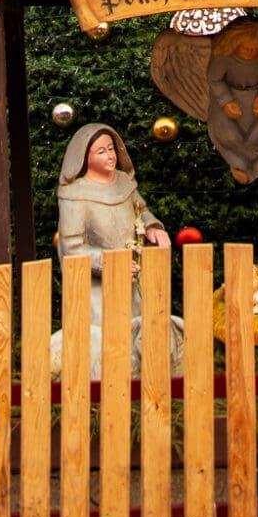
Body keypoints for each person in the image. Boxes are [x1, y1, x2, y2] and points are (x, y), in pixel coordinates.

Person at [53, 123, 178, 378]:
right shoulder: (74, 194)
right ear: (85, 157)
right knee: (104, 340)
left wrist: (153, 226)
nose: (110, 156)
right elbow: (72, 246)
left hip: (132, 278)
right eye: (101, 151)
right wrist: (109, 263)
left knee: (145, 331)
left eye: (111, 149)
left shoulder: (124, 183)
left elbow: (140, 210)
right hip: (96, 286)